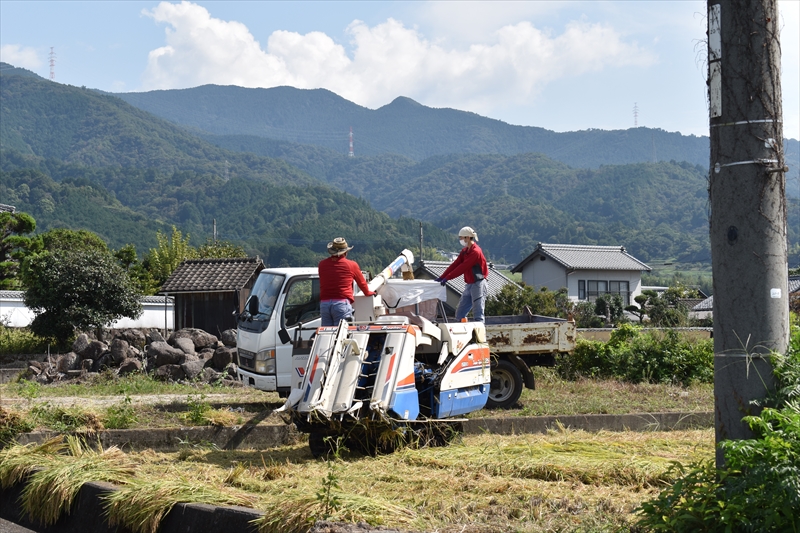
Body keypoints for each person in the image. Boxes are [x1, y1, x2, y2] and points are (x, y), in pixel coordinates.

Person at [435, 226, 489, 322]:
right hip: (469, 284)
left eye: (461, 238)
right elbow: (455, 264)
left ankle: (479, 333)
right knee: (460, 313)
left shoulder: (475, 252)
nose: (460, 240)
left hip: (478, 284)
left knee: (478, 312)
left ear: (467, 238)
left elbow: (463, 267)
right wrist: (442, 277)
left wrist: (448, 278)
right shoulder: (465, 251)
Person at [318, 237, 375, 326]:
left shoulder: (322, 264)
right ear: (345, 252)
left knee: (327, 334)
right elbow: (362, 283)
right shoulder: (351, 265)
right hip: (341, 303)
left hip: (324, 304)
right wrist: (367, 292)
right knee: (342, 335)